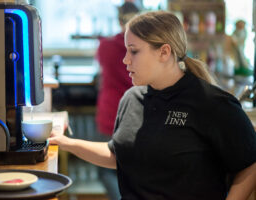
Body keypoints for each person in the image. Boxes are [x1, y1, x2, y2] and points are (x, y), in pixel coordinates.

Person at [49, 11, 256, 200]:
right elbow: (118, 155)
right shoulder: (131, 99)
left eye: (134, 51)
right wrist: (66, 143)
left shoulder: (213, 104)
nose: (125, 60)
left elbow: (250, 164)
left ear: (164, 52)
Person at [94, 2, 139, 200]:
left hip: (110, 114)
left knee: (105, 169)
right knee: (130, 168)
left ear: (119, 20)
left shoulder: (106, 45)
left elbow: (101, 66)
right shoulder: (143, 48)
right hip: (137, 114)